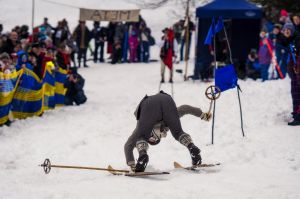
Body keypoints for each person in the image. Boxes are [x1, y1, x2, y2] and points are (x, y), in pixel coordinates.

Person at [124, 91, 212, 172]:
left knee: (141, 136)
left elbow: (128, 145)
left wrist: (132, 165)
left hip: (148, 105)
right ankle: (191, 147)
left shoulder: (142, 125)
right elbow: (185, 108)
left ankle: (142, 154)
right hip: (166, 100)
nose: (162, 133)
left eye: (152, 138)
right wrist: (202, 115)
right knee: (178, 133)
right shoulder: (165, 123)